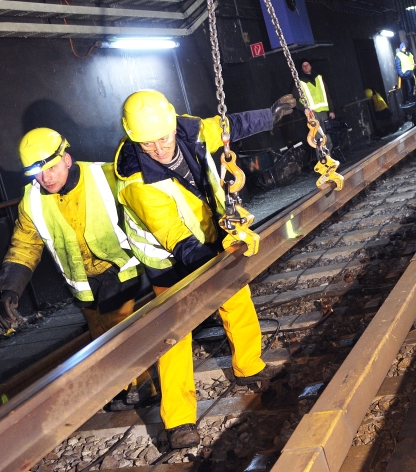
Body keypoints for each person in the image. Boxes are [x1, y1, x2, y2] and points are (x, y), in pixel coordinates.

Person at [114, 89, 295, 449]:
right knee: (173, 334)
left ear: (172, 124)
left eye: (163, 138)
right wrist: (210, 265)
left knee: (236, 298)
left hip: (210, 230)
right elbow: (173, 235)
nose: (160, 149)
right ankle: (179, 420)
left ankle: (249, 367)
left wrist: (270, 116)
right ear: (135, 139)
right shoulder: (136, 179)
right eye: (149, 144)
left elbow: (229, 127)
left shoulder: (189, 130)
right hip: (168, 257)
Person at [0, 128, 151, 410]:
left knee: (124, 330)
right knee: (101, 336)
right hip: (83, 283)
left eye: (52, 168)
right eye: (37, 173)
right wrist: (10, 286)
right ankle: (120, 383)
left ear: (66, 158)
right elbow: (25, 245)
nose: (46, 178)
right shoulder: (31, 200)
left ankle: (143, 385)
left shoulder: (105, 175)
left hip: (121, 270)